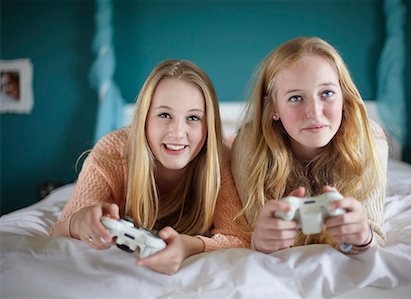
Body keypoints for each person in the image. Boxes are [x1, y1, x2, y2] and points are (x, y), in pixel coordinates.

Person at [50, 59, 250, 274]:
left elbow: (238, 238)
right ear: (144, 119)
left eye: (193, 117)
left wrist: (188, 246)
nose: (178, 132)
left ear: (208, 126)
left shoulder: (221, 160)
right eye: (164, 115)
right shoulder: (112, 151)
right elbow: (62, 225)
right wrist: (82, 221)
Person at [231, 37, 388, 255]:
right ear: (273, 107)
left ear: (344, 97)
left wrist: (363, 236)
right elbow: (255, 234)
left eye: (327, 93)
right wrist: (262, 241)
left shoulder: (371, 138)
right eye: (296, 98)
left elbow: (375, 236)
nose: (314, 112)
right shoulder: (250, 143)